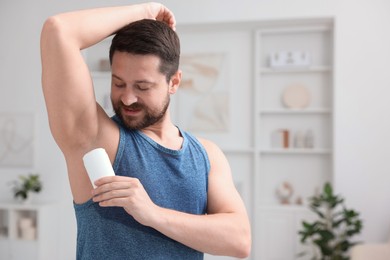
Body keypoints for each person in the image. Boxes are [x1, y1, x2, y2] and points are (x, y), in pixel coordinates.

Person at [40, 2, 251, 259]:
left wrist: (151, 213)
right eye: (119, 83)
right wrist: (144, 12)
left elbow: (239, 240)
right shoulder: (96, 138)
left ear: (173, 82)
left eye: (142, 87)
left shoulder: (207, 154)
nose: (127, 98)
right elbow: (58, 31)